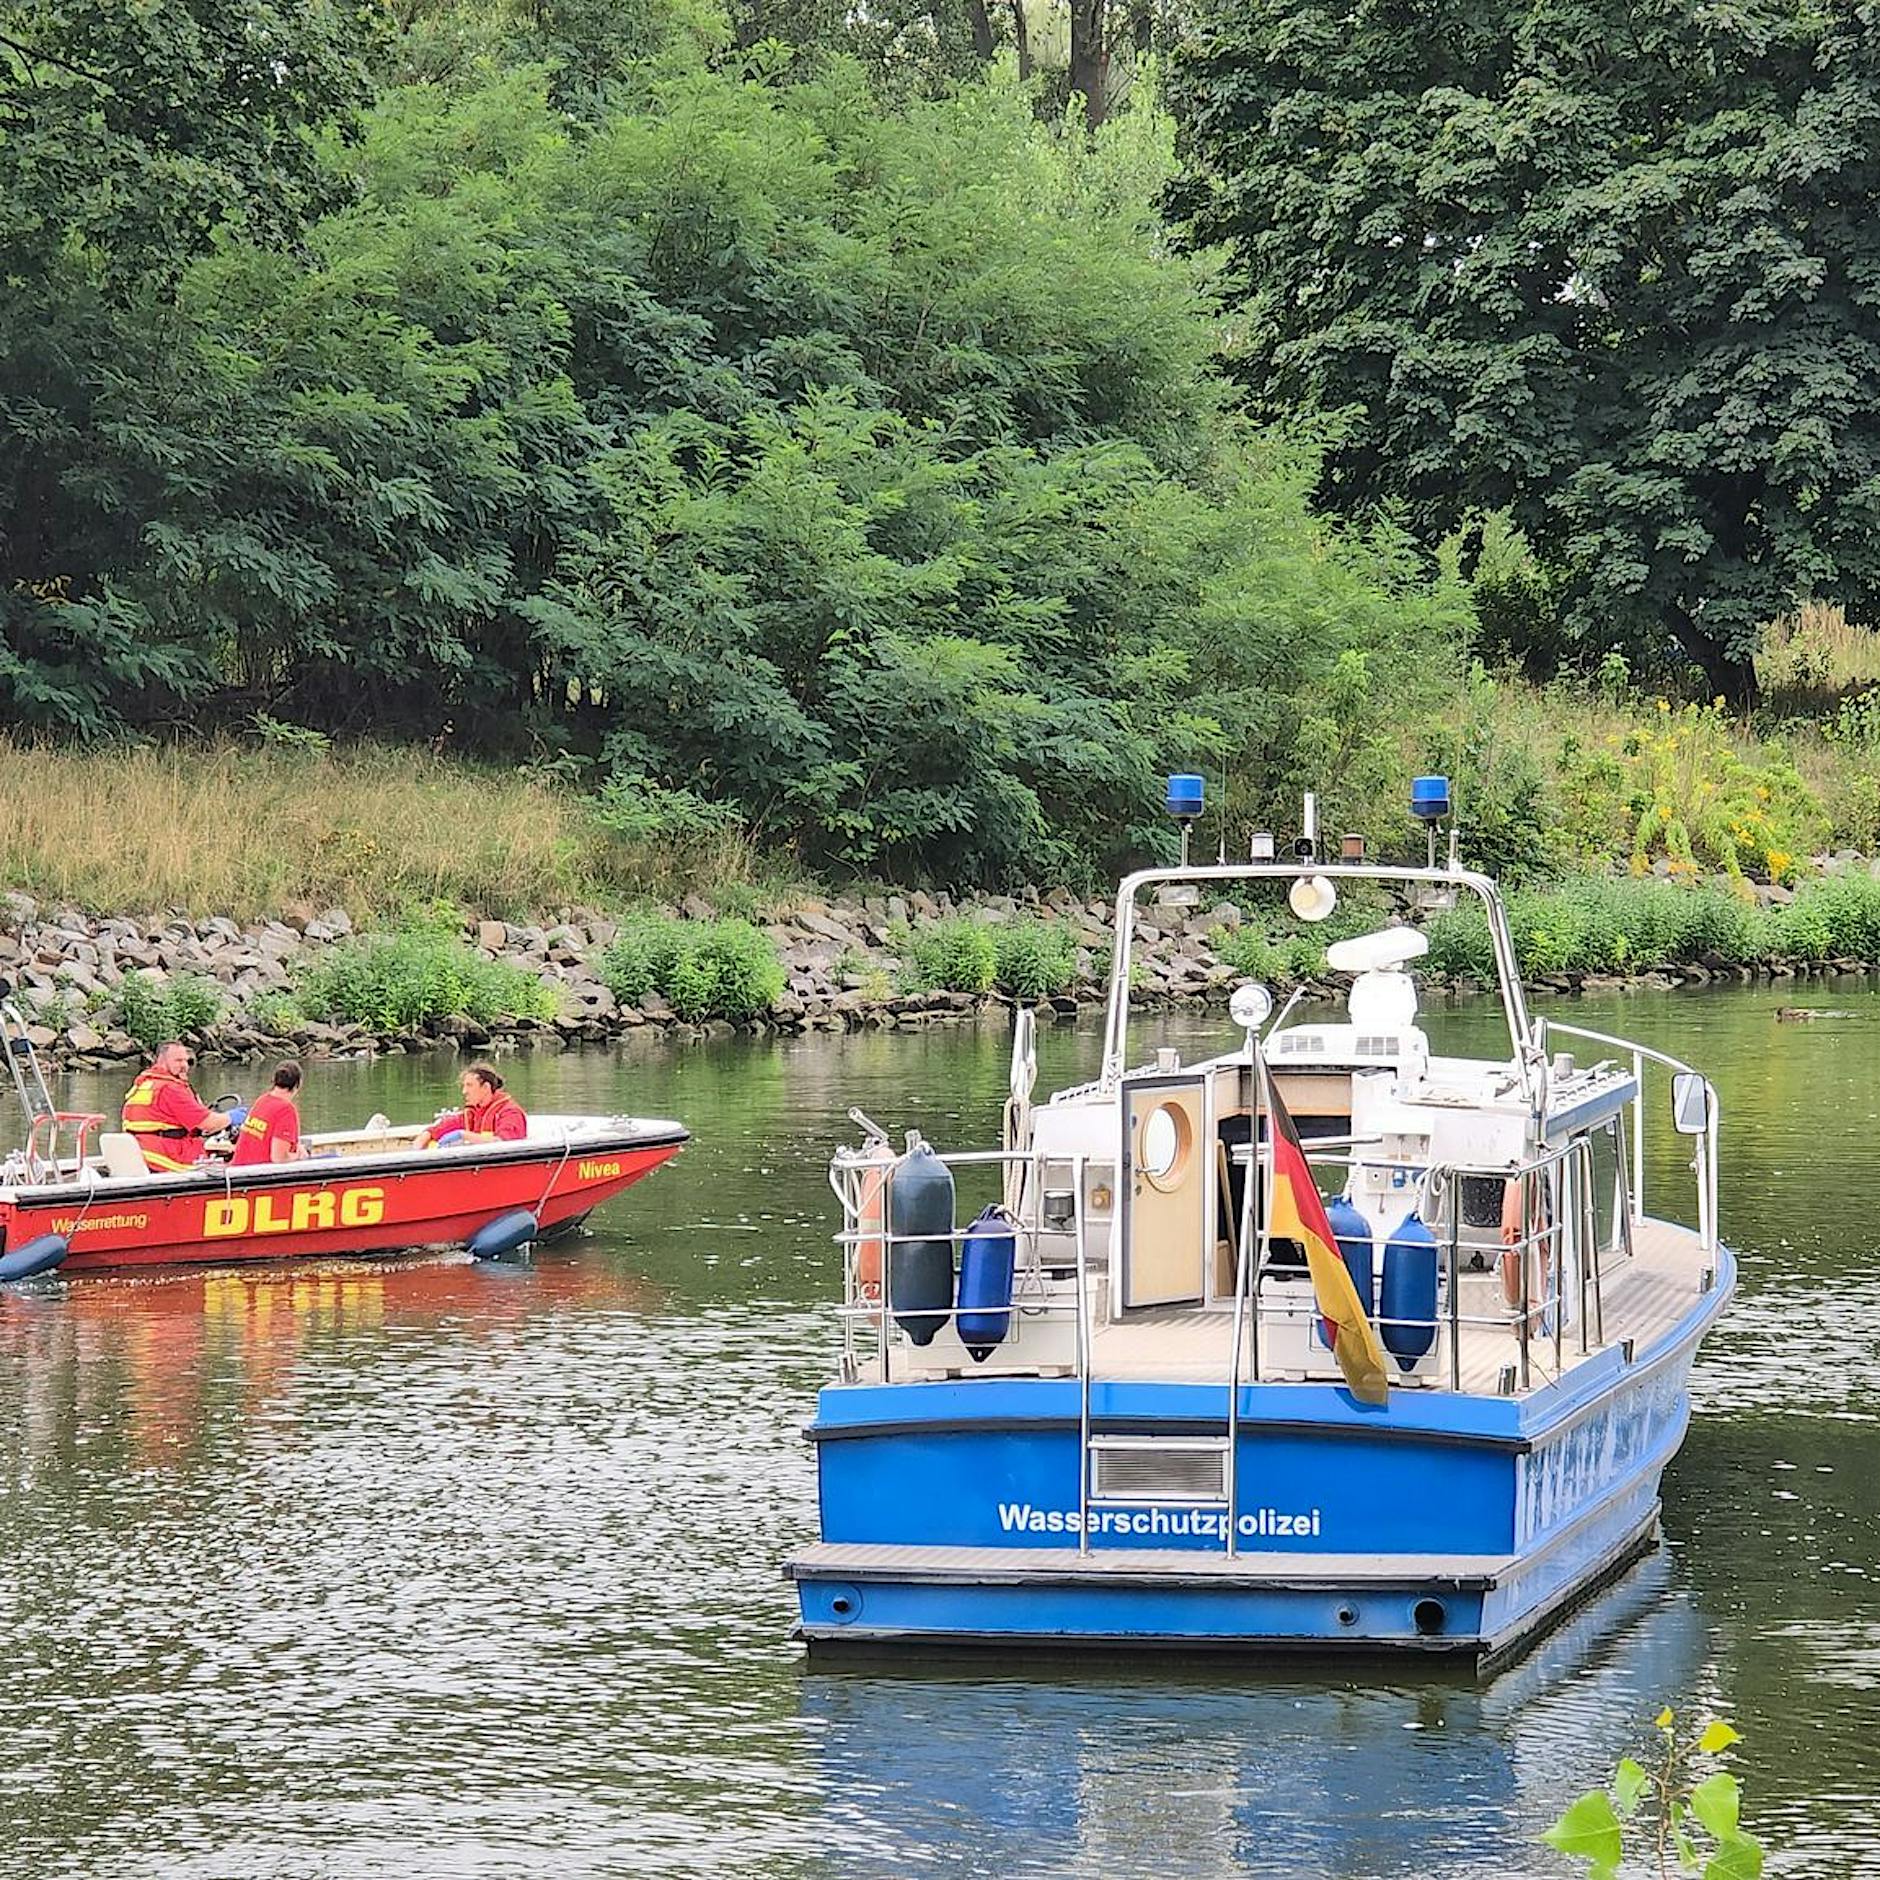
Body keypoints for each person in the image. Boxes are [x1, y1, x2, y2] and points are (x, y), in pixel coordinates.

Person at [120, 1041, 233, 1174]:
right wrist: (232, 1117)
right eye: (178, 1061)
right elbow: (207, 1123)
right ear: (162, 1061)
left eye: (186, 1061)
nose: (184, 1066)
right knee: (229, 1163)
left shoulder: (144, 1084)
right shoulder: (170, 1089)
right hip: (165, 1156)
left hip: (142, 1150)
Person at [419, 1063, 527, 1148]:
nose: (464, 1091)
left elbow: (504, 1144)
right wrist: (419, 1145)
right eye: (464, 1086)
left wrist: (464, 1135)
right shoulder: (472, 1114)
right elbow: (436, 1130)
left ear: (485, 1087)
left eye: (469, 1085)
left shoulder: (511, 1113)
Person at [231, 1061, 306, 1167]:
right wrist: (298, 1156)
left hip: (239, 1167)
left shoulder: (262, 1100)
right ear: (298, 1084)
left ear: (274, 1081)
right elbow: (279, 1158)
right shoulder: (286, 1110)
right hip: (257, 1174)